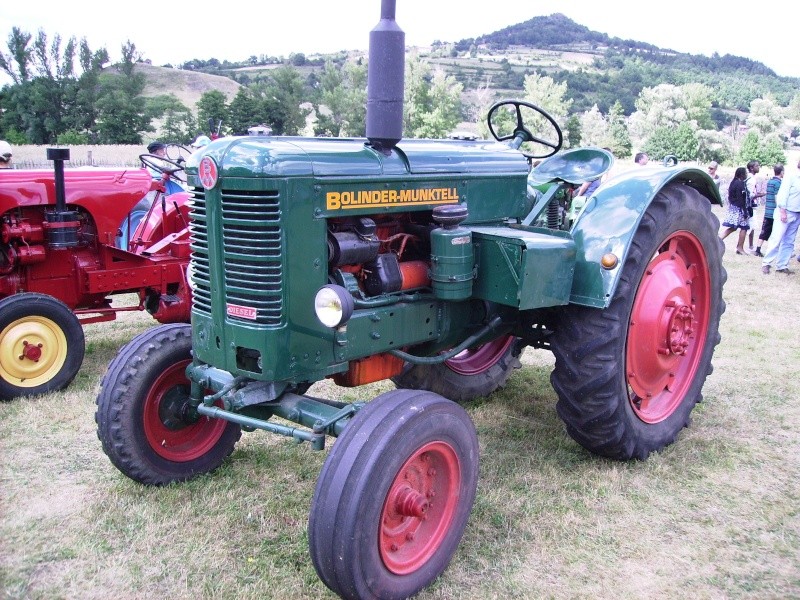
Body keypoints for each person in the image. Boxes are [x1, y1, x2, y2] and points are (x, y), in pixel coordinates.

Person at [761, 157, 800, 275]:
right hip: (785, 212)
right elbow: (782, 194)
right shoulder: (791, 177)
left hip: (797, 214)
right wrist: (782, 211)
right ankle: (766, 263)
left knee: (789, 241)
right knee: (776, 238)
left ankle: (782, 265)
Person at [719, 167, 749, 255]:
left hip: (733, 207)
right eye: (745, 173)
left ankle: (719, 239)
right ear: (742, 174)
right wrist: (745, 211)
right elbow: (741, 198)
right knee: (744, 227)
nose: (746, 175)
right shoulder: (740, 184)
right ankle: (740, 248)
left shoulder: (733, 183)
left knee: (733, 227)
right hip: (739, 208)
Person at [754, 164, 783, 257]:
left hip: (768, 210)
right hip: (774, 211)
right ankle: (779, 250)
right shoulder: (779, 183)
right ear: (781, 172)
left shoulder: (770, 181)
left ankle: (758, 249)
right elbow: (777, 197)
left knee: (764, 231)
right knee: (778, 232)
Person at [745, 160, 765, 251]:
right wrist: (760, 194)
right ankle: (749, 246)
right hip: (750, 206)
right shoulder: (751, 179)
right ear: (751, 168)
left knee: (750, 226)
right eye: (757, 166)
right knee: (750, 226)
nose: (759, 167)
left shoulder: (750, 178)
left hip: (751, 205)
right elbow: (749, 195)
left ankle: (750, 246)